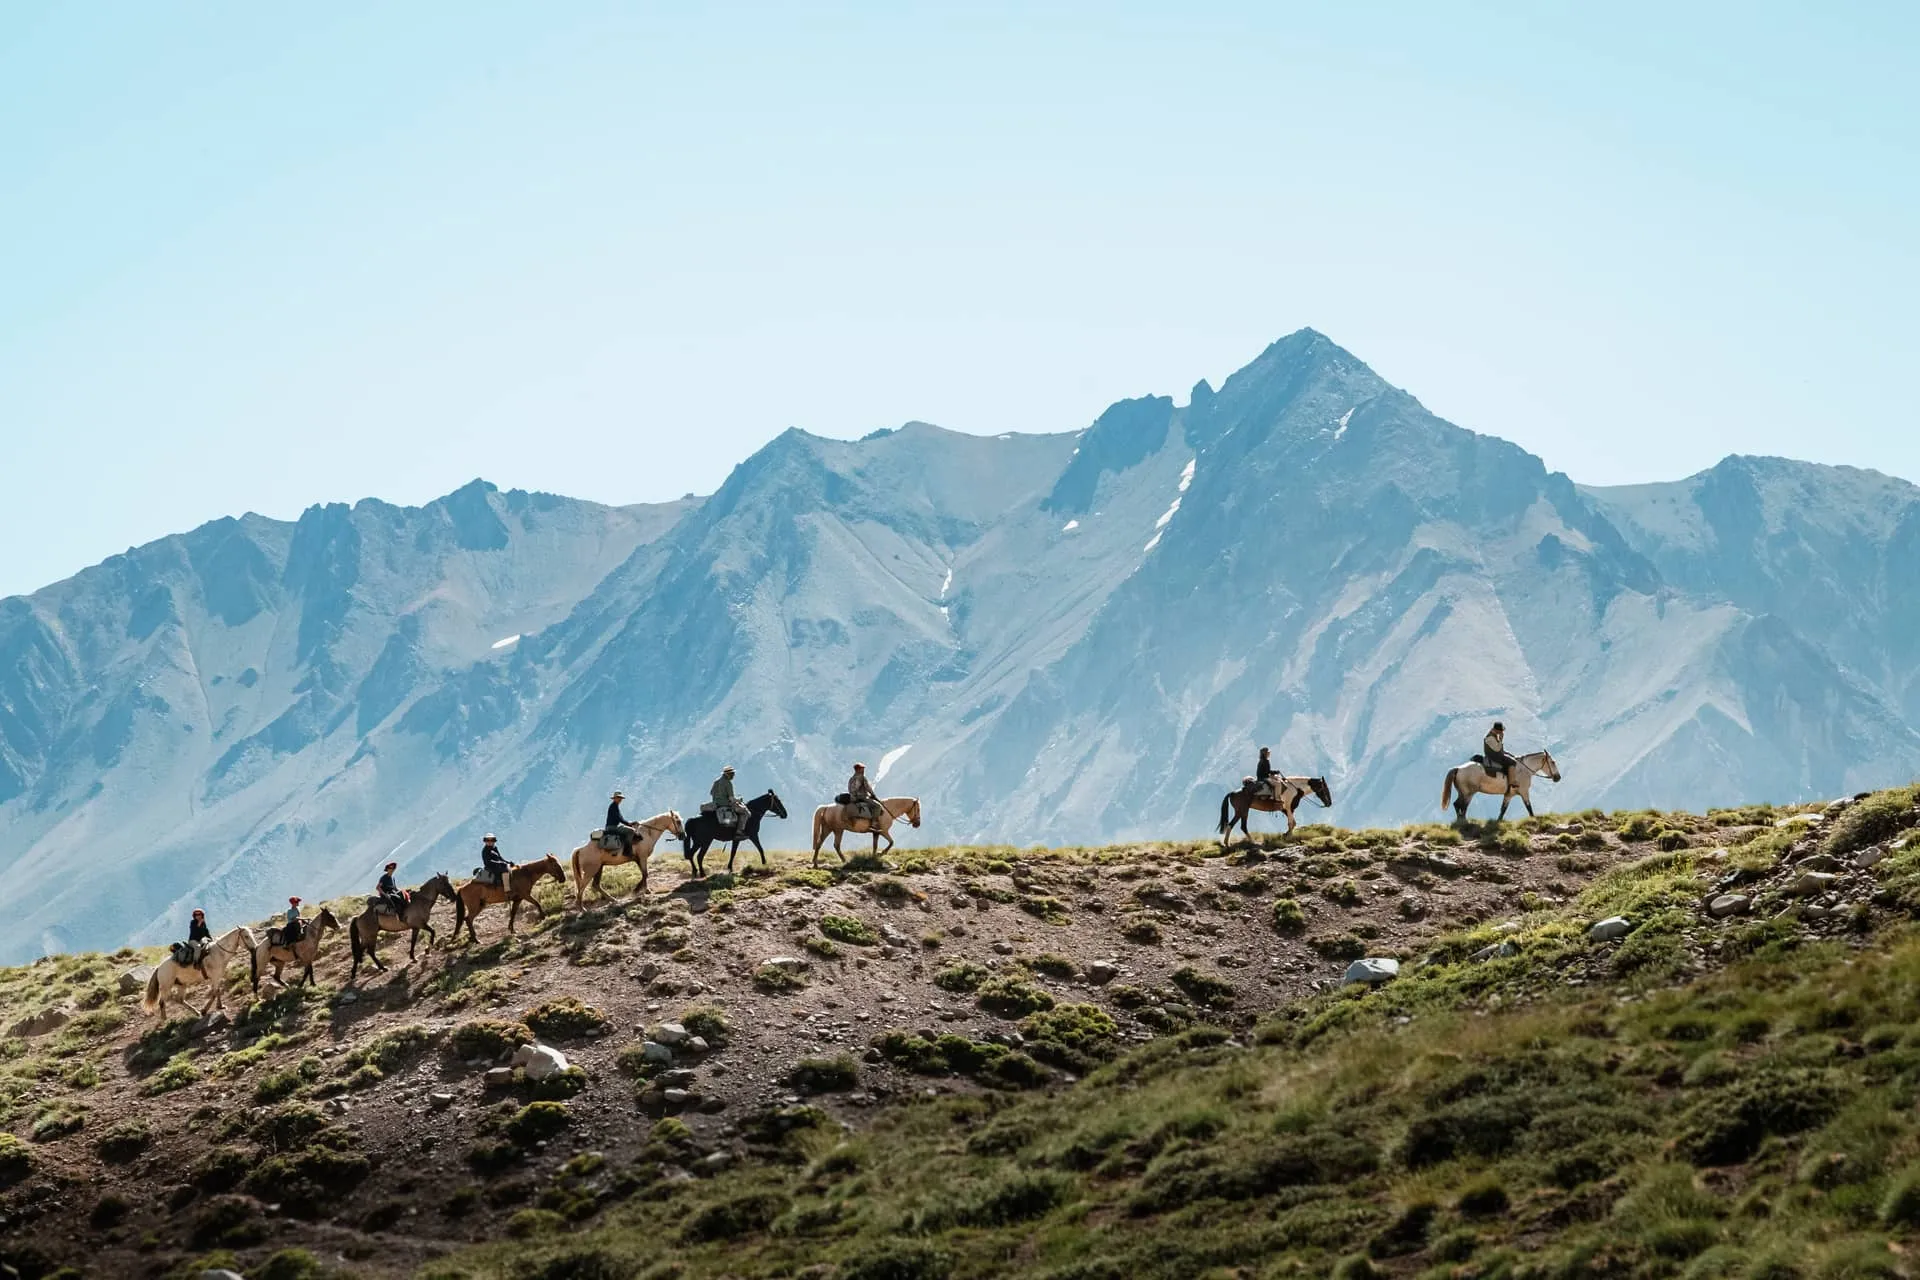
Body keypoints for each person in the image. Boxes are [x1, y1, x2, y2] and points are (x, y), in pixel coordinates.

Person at [605, 790, 636, 858]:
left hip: (611, 827)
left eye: (621, 798)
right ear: (614, 798)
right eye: (618, 798)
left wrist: (629, 823)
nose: (620, 799)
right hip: (612, 827)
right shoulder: (613, 807)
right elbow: (619, 818)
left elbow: (620, 818)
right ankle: (627, 852)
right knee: (631, 831)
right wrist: (628, 824)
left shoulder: (615, 806)